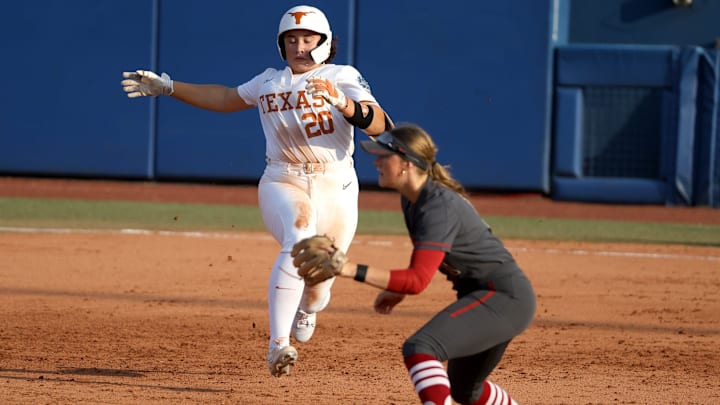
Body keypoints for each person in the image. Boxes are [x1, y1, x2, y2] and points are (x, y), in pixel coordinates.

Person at [120, 5, 391, 377]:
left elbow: (381, 124)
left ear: (325, 43)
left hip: (337, 185)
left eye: (308, 39)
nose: (299, 46)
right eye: (291, 39)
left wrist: (343, 103)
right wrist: (169, 87)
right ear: (281, 45)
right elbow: (225, 98)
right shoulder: (269, 81)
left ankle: (309, 307)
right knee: (299, 233)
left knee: (319, 283)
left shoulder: (342, 76)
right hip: (283, 180)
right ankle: (279, 345)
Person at [292, 124, 536, 404]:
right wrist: (399, 290)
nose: (376, 161)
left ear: (406, 164)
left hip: (503, 298)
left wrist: (348, 268)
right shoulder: (415, 201)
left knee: (421, 347)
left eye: (384, 156)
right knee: (466, 390)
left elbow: (418, 280)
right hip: (487, 297)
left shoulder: (437, 206)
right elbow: (423, 264)